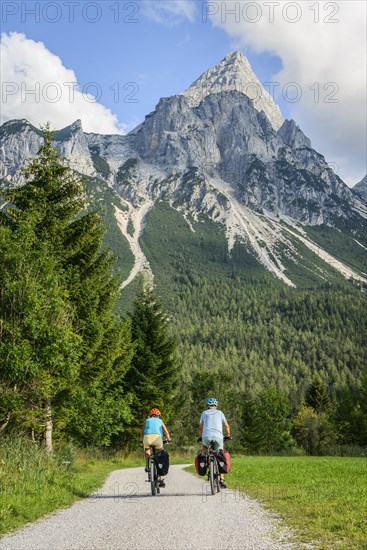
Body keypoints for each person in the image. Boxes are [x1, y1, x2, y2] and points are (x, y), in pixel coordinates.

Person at [198, 397, 231, 488]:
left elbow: (200, 427)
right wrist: (228, 435)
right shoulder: (220, 413)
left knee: (205, 450)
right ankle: (222, 479)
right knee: (220, 455)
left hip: (206, 437)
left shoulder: (204, 413)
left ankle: (206, 462)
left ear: (207, 406)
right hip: (218, 437)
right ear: (216, 406)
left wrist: (200, 437)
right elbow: (226, 426)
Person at [141, 408, 171, 487]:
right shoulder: (160, 421)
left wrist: (141, 440)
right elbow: (166, 432)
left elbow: (142, 432)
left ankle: (147, 466)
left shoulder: (147, 421)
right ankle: (160, 479)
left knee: (147, 450)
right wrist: (168, 439)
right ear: (158, 416)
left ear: (150, 415)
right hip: (157, 439)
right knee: (160, 454)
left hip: (147, 438)